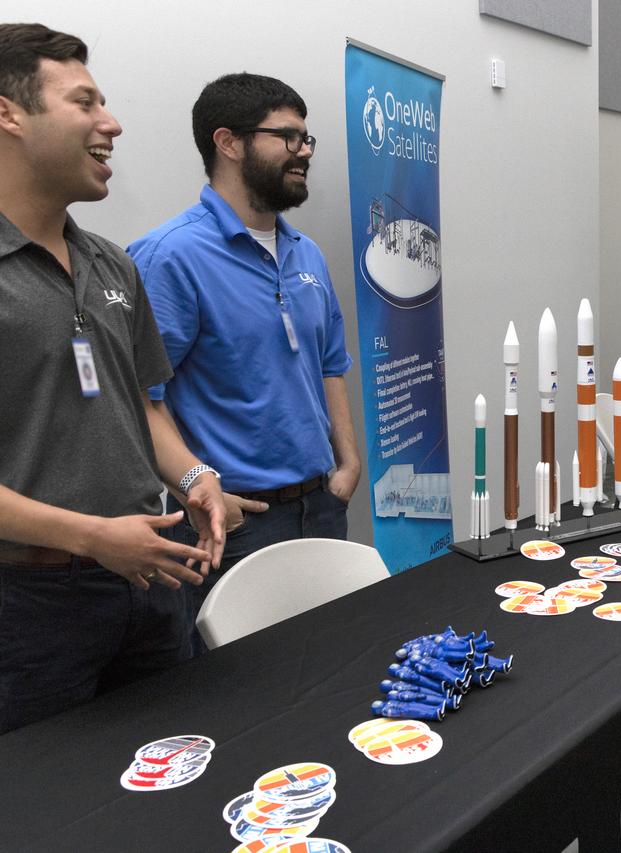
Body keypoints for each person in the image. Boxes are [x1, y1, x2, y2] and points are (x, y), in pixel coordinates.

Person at [0, 23, 225, 733]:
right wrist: (93, 536)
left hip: (152, 582)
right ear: (8, 114)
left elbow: (141, 407)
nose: (112, 123)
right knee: (52, 812)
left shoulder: (113, 264)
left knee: (182, 774)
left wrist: (195, 476)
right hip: (29, 608)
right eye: (85, 102)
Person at [127, 74, 360, 645]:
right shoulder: (170, 258)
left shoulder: (306, 254)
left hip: (320, 504)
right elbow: (138, 401)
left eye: (307, 139)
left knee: (338, 664)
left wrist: (347, 463)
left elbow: (331, 362)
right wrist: (195, 493)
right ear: (228, 142)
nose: (303, 152)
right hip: (234, 523)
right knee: (244, 699)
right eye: (287, 137)